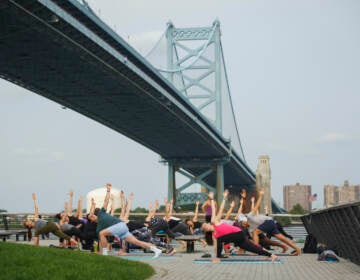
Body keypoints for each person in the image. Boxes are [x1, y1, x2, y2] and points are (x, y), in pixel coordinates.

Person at [87, 183, 162, 258]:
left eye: (92, 214)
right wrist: (99, 251)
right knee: (137, 242)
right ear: (91, 220)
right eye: (91, 216)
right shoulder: (99, 227)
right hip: (122, 229)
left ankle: (105, 254)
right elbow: (101, 242)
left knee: (101, 233)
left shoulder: (101, 213)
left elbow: (106, 201)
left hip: (120, 225)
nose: (92, 215)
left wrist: (108, 190)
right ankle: (156, 250)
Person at [202, 190, 277, 262]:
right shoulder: (214, 235)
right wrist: (215, 254)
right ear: (206, 230)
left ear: (208, 224)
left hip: (238, 233)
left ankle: (218, 257)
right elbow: (216, 247)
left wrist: (215, 198)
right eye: (204, 227)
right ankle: (271, 255)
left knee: (219, 239)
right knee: (253, 248)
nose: (205, 225)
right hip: (237, 239)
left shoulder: (214, 222)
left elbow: (217, 209)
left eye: (205, 224)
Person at [246, 188, 301, 255]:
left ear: (245, 220)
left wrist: (260, 195)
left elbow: (256, 206)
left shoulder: (249, 216)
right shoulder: (250, 228)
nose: (243, 225)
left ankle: (256, 251)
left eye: (243, 223)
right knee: (282, 238)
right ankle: (297, 249)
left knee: (255, 232)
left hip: (268, 221)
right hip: (271, 223)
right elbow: (255, 239)